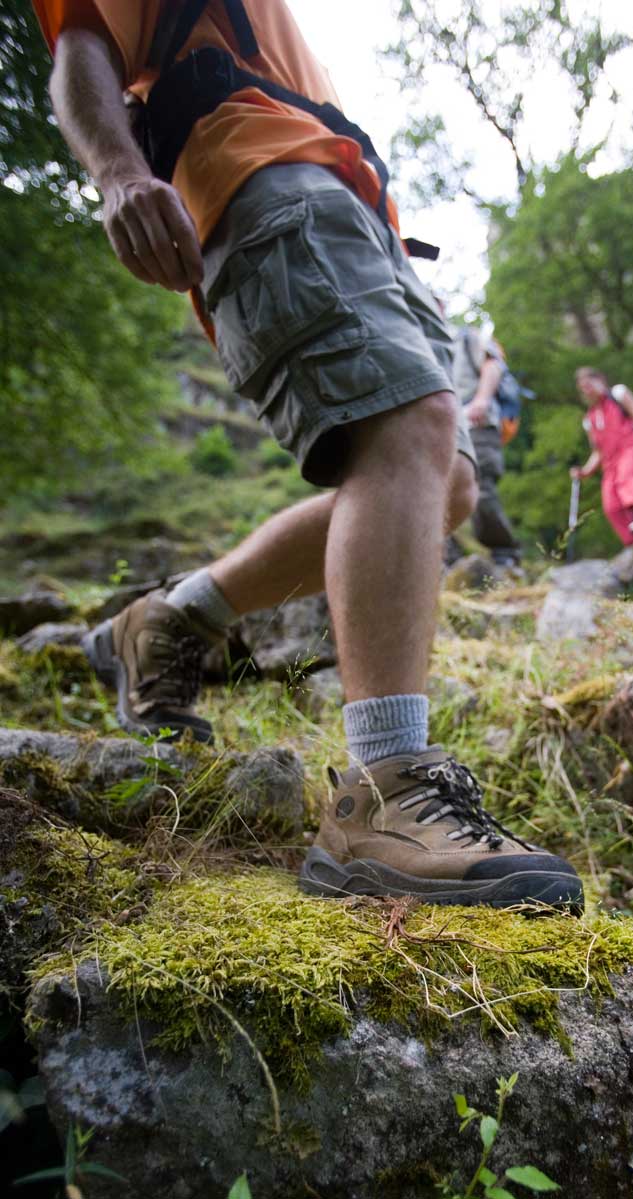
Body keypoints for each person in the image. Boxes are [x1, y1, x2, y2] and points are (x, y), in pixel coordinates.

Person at [32, 0, 581, 910]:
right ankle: (384, 790)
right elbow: (82, 40)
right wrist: (119, 173)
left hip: (357, 208)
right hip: (260, 173)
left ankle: (173, 618)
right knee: (403, 427)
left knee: (441, 480)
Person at [570, 368, 633, 546]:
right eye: (583, 389)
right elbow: (597, 452)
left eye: (589, 385)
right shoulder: (589, 419)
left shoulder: (618, 394)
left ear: (600, 380)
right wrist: (584, 471)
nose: (587, 391)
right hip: (609, 463)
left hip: (631, 448)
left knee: (628, 479)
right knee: (611, 506)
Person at [452, 327, 521, 568]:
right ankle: (450, 559)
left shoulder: (466, 337)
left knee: (482, 490)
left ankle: (505, 554)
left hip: (478, 424)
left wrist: (481, 400)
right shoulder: (426, 339)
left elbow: (493, 364)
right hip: (448, 430)